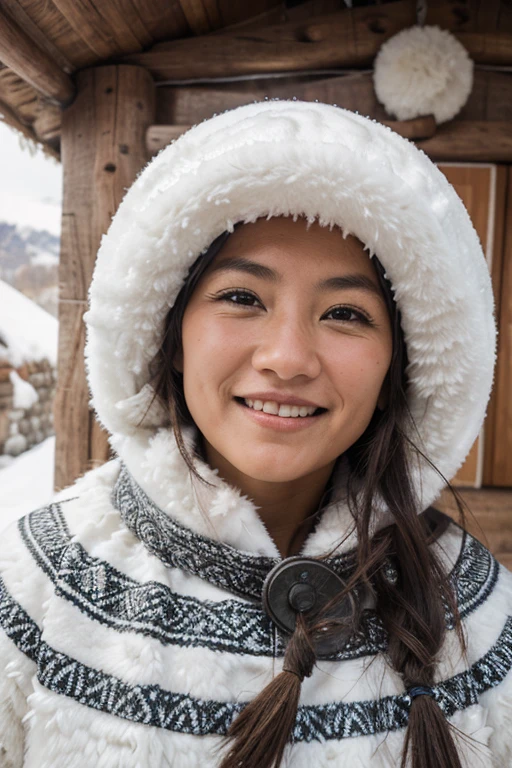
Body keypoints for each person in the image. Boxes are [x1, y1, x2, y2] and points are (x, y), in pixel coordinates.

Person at [0, 99, 509, 768]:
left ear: (398, 366)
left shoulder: (479, 611)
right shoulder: (39, 582)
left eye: (346, 313)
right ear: (171, 332)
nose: (288, 357)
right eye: (242, 297)